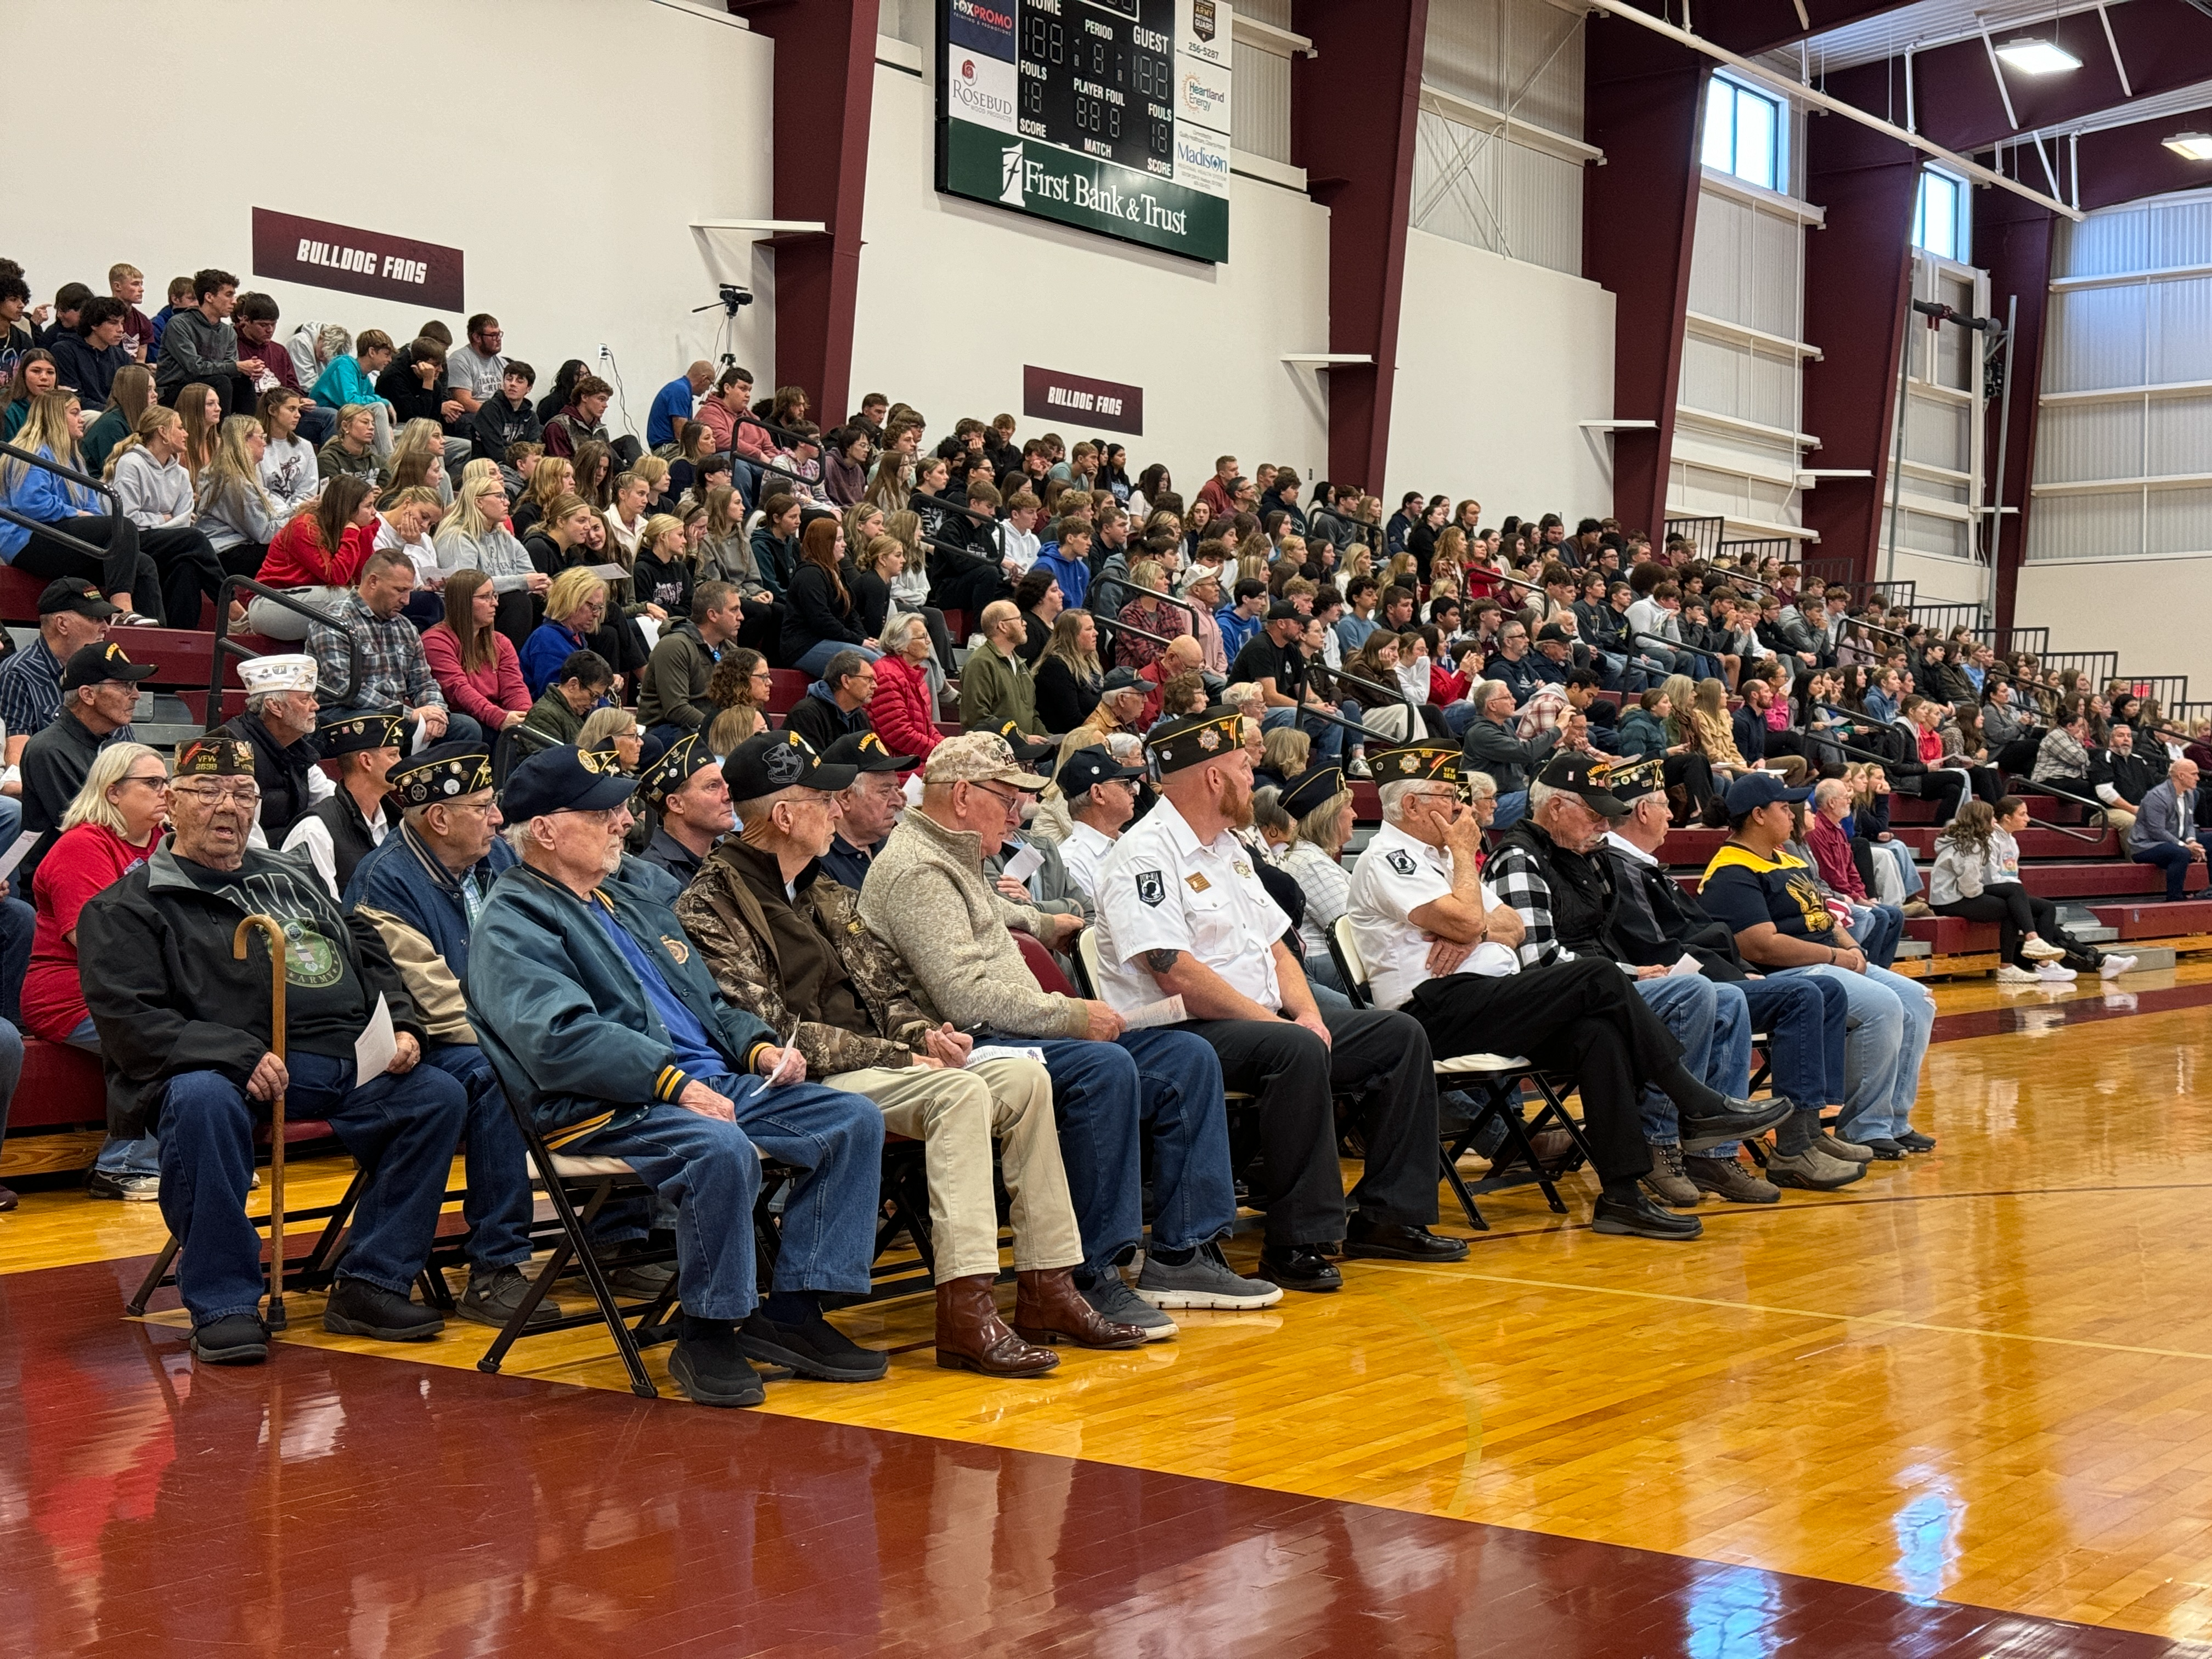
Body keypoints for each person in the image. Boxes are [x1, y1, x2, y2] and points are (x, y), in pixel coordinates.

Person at [679, 732, 1144, 1373]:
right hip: (796, 1080)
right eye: (824, 799)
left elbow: (886, 988)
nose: (838, 811)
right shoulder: (709, 904)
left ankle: (1050, 1285)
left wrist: (923, 1035)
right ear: (784, 816)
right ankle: (966, 1307)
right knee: (962, 1093)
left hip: (876, 1064)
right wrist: (901, 1057)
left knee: (1022, 1080)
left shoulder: (823, 891)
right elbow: (770, 1029)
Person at [465, 743, 892, 1407]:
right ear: (545, 829)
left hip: (706, 1084)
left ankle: (796, 1311)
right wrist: (672, 1083)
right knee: (716, 1149)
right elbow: (559, 1040)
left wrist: (757, 1051)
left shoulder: (627, 902)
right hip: (602, 1106)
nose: (622, 822)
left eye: (620, 809)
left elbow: (712, 1004)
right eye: (602, 811)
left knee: (849, 1119)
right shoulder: (511, 923)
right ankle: (709, 1329)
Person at [77, 735, 471, 1363]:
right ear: (170, 806)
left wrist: (401, 1023)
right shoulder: (129, 905)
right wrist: (235, 1054)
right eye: (207, 793)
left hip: (344, 1057)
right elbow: (132, 1024)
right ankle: (224, 1301)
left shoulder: (295, 875)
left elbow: (368, 949)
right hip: (227, 1073)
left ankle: (371, 1281)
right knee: (200, 1100)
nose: (227, 808)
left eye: (242, 793)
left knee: (436, 1095)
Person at [858, 731, 1267, 1330]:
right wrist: (1074, 1016)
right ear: (964, 795)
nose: (1018, 810)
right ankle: (1087, 1270)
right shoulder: (919, 871)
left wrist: (1050, 921)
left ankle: (1182, 1253)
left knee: (1187, 1058)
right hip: (968, 1043)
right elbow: (964, 996)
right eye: (1007, 796)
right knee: (1103, 1068)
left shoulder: (949, 856)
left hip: (1015, 1031)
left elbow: (996, 913)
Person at [1092, 707, 1468, 1291]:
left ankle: (1390, 1217)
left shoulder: (1230, 850)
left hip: (1258, 1022)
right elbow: (1176, 974)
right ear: (1214, 777)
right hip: (1180, 1030)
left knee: (1397, 1036)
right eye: (1245, 767)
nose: (1254, 780)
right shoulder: (1145, 856)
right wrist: (1283, 1024)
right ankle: (1297, 1241)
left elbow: (1278, 947)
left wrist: (1311, 1013)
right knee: (1293, 1051)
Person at [1598, 759, 1869, 1197]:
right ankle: (1779, 1148)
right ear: (1643, 812)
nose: (1673, 815)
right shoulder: (1619, 865)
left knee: (1825, 990)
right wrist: (1737, 973)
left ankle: (1807, 1131)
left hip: (1710, 976)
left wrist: (1739, 970)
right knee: (1799, 993)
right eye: (1666, 806)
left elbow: (1697, 937)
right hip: (1670, 984)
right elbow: (1656, 947)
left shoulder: (1643, 865)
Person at [1698, 773, 1938, 1159]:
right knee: (1883, 1006)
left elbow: (1823, 915)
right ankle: (1865, 1127)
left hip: (1828, 959)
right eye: (1783, 807)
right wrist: (1834, 957)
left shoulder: (1787, 857)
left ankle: (1893, 1119)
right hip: (1784, 975)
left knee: (1917, 999)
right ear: (1758, 815)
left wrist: (1851, 947)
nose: (1793, 814)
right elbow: (1760, 945)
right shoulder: (1732, 869)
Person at [25, 742, 170, 1199]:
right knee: (163, 1036)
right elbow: (95, 945)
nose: (165, 792)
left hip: (140, 984)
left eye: (166, 782)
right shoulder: (81, 847)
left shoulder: (165, 843)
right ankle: (123, 1166)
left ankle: (192, 1156)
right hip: (69, 990)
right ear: (112, 792)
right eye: (151, 783)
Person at [1933, 798, 2132, 984]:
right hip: (1953, 898)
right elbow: (1974, 886)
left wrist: (2014, 894)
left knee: (2041, 907)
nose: (1993, 821)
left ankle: (2054, 958)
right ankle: (2039, 957)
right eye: (2023, 814)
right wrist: (2013, 894)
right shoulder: (1975, 844)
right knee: (2015, 903)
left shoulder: (1995, 841)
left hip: (1968, 894)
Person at [308, 548, 481, 749]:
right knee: (379, 725)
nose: (407, 601)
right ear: (373, 582)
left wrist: (435, 711)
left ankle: (422, 777)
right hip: (345, 715)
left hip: (395, 718)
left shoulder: (405, 627)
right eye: (400, 590)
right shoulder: (335, 621)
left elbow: (424, 683)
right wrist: (408, 714)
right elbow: (346, 691)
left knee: (466, 728)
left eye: (409, 591)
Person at [20, 642, 154, 888]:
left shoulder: (113, 741)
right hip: (72, 882)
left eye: (134, 686)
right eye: (125, 686)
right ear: (88, 695)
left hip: (117, 871)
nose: (136, 695)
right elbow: (91, 827)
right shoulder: (49, 749)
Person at [0, 579, 118, 773]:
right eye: (96, 618)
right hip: (60, 787)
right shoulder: (18, 673)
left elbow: (128, 746)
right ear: (62, 624)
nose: (106, 628)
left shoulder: (101, 669)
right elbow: (17, 760)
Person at [282, 710, 401, 898]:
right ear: (366, 761)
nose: (401, 763)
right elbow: (322, 914)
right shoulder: (315, 831)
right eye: (393, 755)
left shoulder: (398, 823)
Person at [218, 653, 331, 847]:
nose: (316, 706)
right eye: (305, 699)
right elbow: (244, 842)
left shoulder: (298, 751)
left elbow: (332, 802)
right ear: (275, 706)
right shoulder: (231, 750)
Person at [1804, 777, 1905, 970]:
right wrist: (1858, 899)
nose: (1850, 800)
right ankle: (1867, 968)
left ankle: (1882, 968)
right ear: (1832, 803)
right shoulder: (1817, 831)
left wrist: (1864, 897)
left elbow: (1851, 870)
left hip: (1850, 896)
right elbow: (1830, 876)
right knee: (1881, 916)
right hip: (1835, 896)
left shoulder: (1839, 829)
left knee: (1896, 915)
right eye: (1845, 797)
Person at [421, 567, 532, 740]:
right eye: (485, 597)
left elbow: (515, 688)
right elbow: (458, 690)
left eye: (494, 595)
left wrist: (525, 719)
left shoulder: (501, 642)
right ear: (463, 603)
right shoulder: (436, 641)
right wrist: (500, 719)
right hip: (463, 717)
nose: (495, 603)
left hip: (496, 714)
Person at [1232, 601, 1346, 768]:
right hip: (1250, 712)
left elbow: (1305, 692)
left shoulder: (1291, 650)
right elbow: (1269, 698)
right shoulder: (1260, 647)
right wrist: (1309, 708)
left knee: (1335, 717)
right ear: (1281, 623)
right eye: (1296, 623)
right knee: (1292, 715)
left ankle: (1327, 771)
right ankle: (1286, 768)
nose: (1301, 627)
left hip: (1276, 710)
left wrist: (1321, 707)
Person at [635, 581, 743, 747]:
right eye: (734, 610)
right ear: (713, 615)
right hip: (665, 729)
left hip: (709, 726)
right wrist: (721, 729)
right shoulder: (674, 646)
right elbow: (676, 709)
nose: (741, 616)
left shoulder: (730, 651)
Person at [814, 731, 911, 890]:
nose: (898, 802)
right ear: (845, 797)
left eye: (897, 789)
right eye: (885, 792)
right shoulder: (818, 862)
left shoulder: (893, 846)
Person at [633, 734, 732, 884]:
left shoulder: (733, 858)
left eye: (727, 785)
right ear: (676, 804)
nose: (728, 796)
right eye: (713, 786)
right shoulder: (653, 878)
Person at [1053, 744, 1143, 905]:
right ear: (1098, 794)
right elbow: (1090, 925)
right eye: (1124, 783)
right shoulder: (1072, 862)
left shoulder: (1133, 842)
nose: (1133, 791)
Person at [2128, 758, 2209, 904]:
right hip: (2147, 845)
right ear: (2181, 776)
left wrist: (2192, 841)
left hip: (2175, 840)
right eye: (2194, 774)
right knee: (2182, 853)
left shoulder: (2189, 794)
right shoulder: (2157, 796)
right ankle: (2174, 898)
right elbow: (2156, 831)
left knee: (2209, 841)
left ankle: (2210, 890)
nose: (2198, 778)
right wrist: (2185, 846)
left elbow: (2190, 824)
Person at [960, 600, 1046, 736]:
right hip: (992, 751)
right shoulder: (981, 663)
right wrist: (1021, 738)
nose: (1025, 623)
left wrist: (1048, 739)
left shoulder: (1021, 664)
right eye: (1019, 619)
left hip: (1024, 750)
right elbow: (979, 718)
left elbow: (1032, 715)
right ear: (1003, 626)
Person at [783, 648, 877, 756]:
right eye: (868, 679)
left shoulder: (861, 716)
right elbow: (814, 767)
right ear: (846, 681)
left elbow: (872, 760)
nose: (875, 686)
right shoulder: (805, 714)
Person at [649, 362, 714, 450]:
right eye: (710, 384)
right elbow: (681, 434)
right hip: (665, 448)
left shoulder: (681, 388)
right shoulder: (681, 391)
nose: (708, 389)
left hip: (664, 445)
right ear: (704, 380)